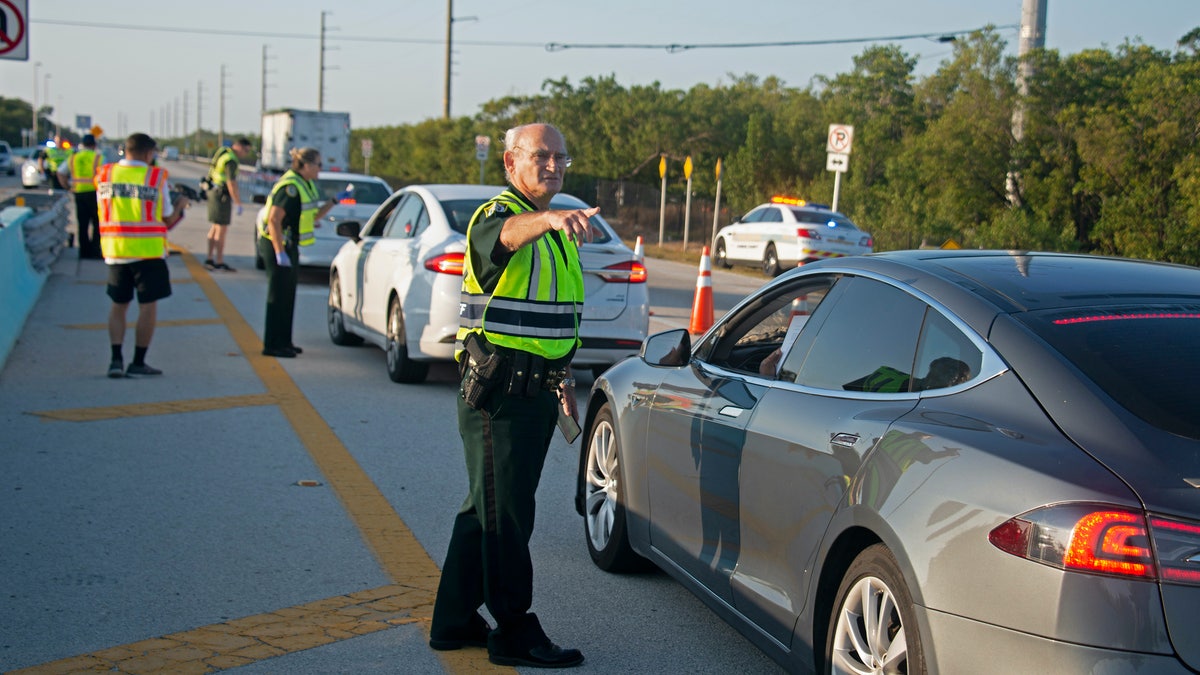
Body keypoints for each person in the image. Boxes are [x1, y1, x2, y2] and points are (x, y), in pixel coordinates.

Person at [430, 123, 594, 669]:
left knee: (487, 508)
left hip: (536, 391)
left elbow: (549, 321)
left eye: (561, 158)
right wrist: (545, 218)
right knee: (508, 517)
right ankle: (513, 631)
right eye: (541, 156)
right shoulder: (500, 216)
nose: (553, 166)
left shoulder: (553, 228)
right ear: (510, 161)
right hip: (500, 397)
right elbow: (502, 237)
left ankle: (453, 620)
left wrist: (562, 378)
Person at [97, 133, 188, 378]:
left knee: (118, 306)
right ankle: (138, 361)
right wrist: (181, 205)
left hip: (116, 251)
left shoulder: (105, 174)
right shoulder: (155, 177)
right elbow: (167, 217)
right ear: (149, 154)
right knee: (147, 308)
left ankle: (115, 360)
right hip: (148, 253)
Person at [256, 146, 333, 358]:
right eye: (318, 164)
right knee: (277, 295)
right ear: (306, 165)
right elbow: (273, 220)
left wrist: (334, 202)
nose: (320, 168)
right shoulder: (290, 187)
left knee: (288, 295)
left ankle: (285, 341)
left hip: (290, 245)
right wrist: (279, 252)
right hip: (277, 244)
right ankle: (272, 345)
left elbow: (312, 216)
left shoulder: (304, 184)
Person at [204, 137, 252, 271]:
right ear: (239, 147)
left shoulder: (223, 152)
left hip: (214, 191)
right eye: (246, 151)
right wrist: (238, 202)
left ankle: (209, 258)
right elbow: (231, 182)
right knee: (221, 229)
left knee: (215, 227)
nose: (245, 154)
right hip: (222, 196)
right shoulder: (231, 160)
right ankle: (219, 261)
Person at [57, 133, 103, 259]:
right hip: (95, 194)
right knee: (97, 223)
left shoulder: (73, 158)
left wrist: (67, 186)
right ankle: (95, 251)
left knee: (82, 224)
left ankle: (84, 252)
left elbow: (60, 173)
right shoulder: (98, 158)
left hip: (79, 194)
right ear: (94, 145)